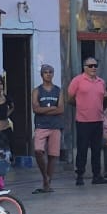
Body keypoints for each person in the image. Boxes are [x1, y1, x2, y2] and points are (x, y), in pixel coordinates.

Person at [67, 57, 107, 185]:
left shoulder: (101, 82)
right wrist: (81, 106)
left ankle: (97, 175)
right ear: (84, 67)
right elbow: (70, 98)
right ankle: (80, 175)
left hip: (98, 120)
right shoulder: (77, 80)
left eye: (95, 65)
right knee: (82, 148)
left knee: (97, 148)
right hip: (83, 120)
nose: (93, 68)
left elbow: (105, 97)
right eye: (90, 66)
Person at [30, 64, 64, 194]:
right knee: (38, 151)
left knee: (53, 155)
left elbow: (61, 109)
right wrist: (52, 109)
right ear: (42, 75)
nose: (48, 74)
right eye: (45, 72)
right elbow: (35, 109)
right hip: (41, 125)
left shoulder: (58, 90)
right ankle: (45, 176)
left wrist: (44, 110)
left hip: (55, 126)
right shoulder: (37, 91)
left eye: (50, 72)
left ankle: (48, 183)